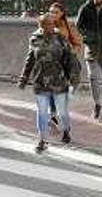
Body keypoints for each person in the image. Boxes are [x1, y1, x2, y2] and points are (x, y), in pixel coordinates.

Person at [18, 13, 80, 152]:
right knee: (42, 112)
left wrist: (73, 78)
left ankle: (66, 130)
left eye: (53, 23)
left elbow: (70, 59)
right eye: (49, 24)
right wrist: (24, 78)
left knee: (62, 112)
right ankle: (42, 140)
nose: (52, 26)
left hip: (59, 80)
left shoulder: (60, 38)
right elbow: (30, 60)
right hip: (40, 81)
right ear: (41, 25)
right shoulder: (34, 39)